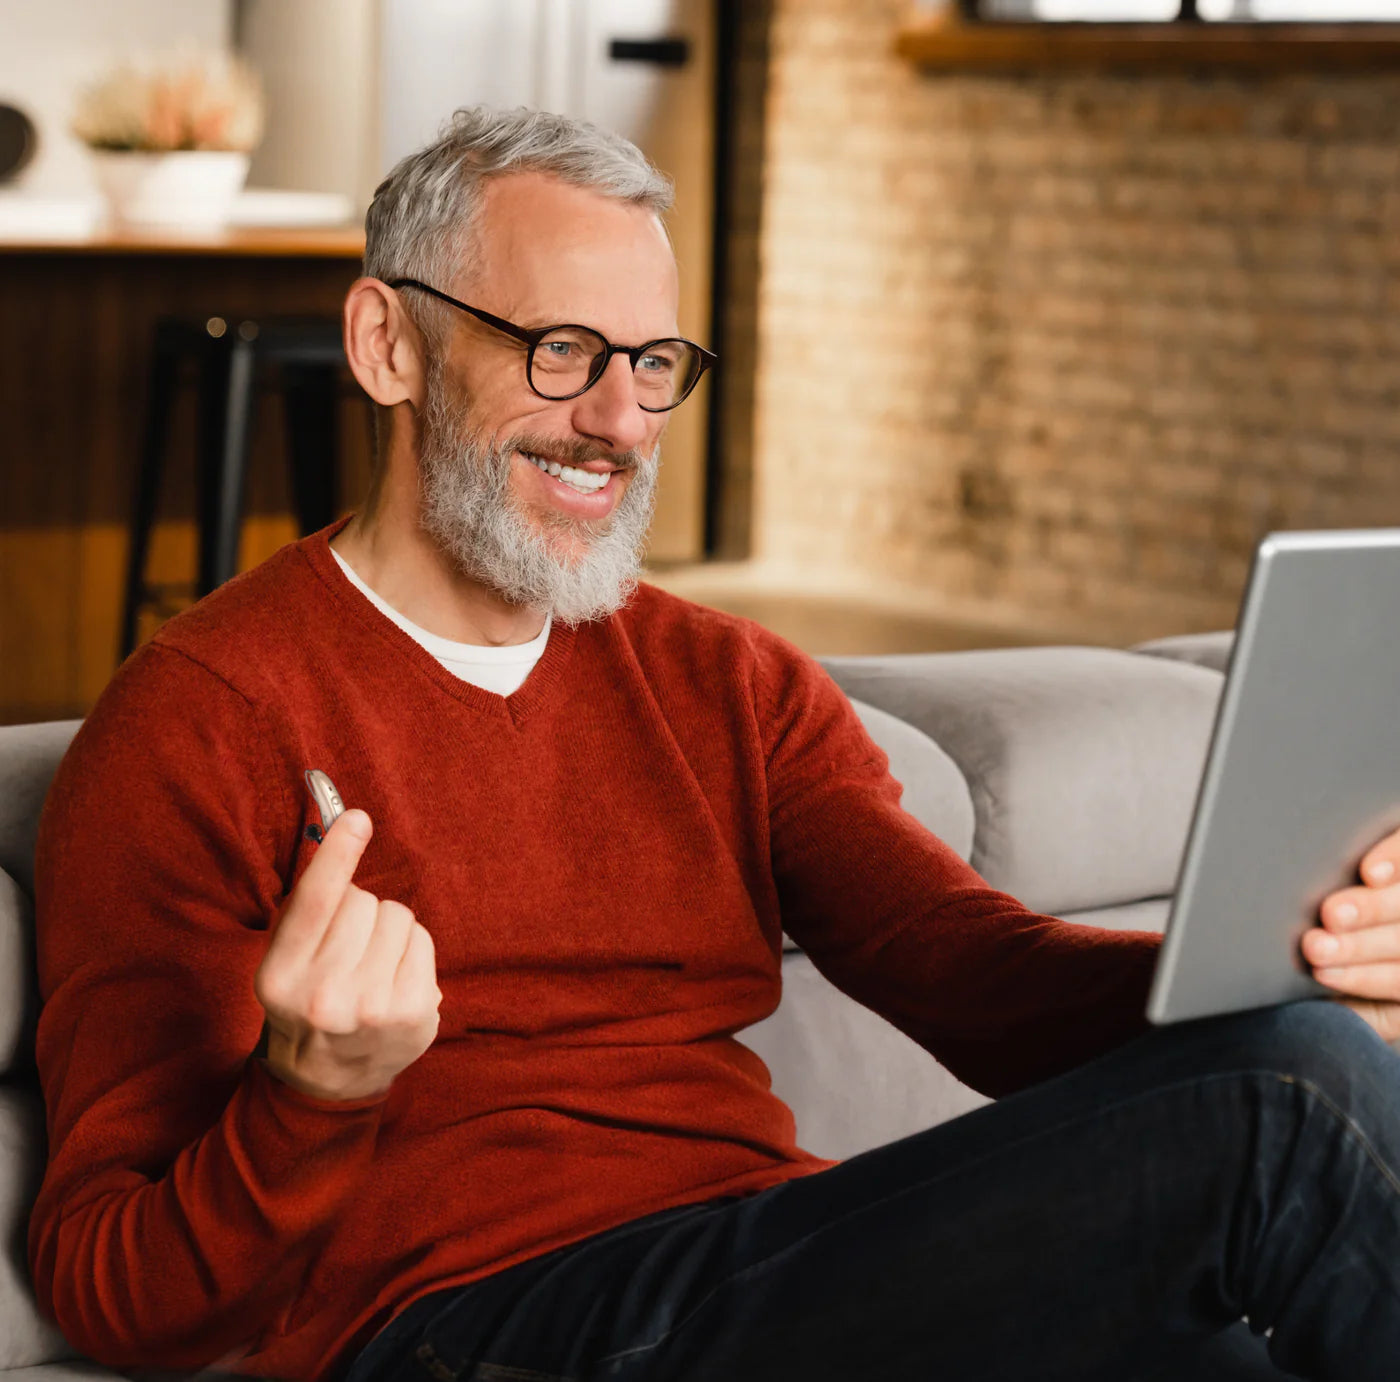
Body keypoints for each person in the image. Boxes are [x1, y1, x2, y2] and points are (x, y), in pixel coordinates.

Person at [29, 106, 1400, 1382]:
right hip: (472, 1322)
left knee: (1237, 1326)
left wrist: (1280, 969)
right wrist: (309, 1093)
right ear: (389, 343)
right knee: (1296, 1101)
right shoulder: (198, 721)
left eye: (654, 364)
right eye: (557, 349)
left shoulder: (723, 680)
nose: (619, 419)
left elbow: (980, 975)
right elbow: (114, 1288)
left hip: (760, 1276)